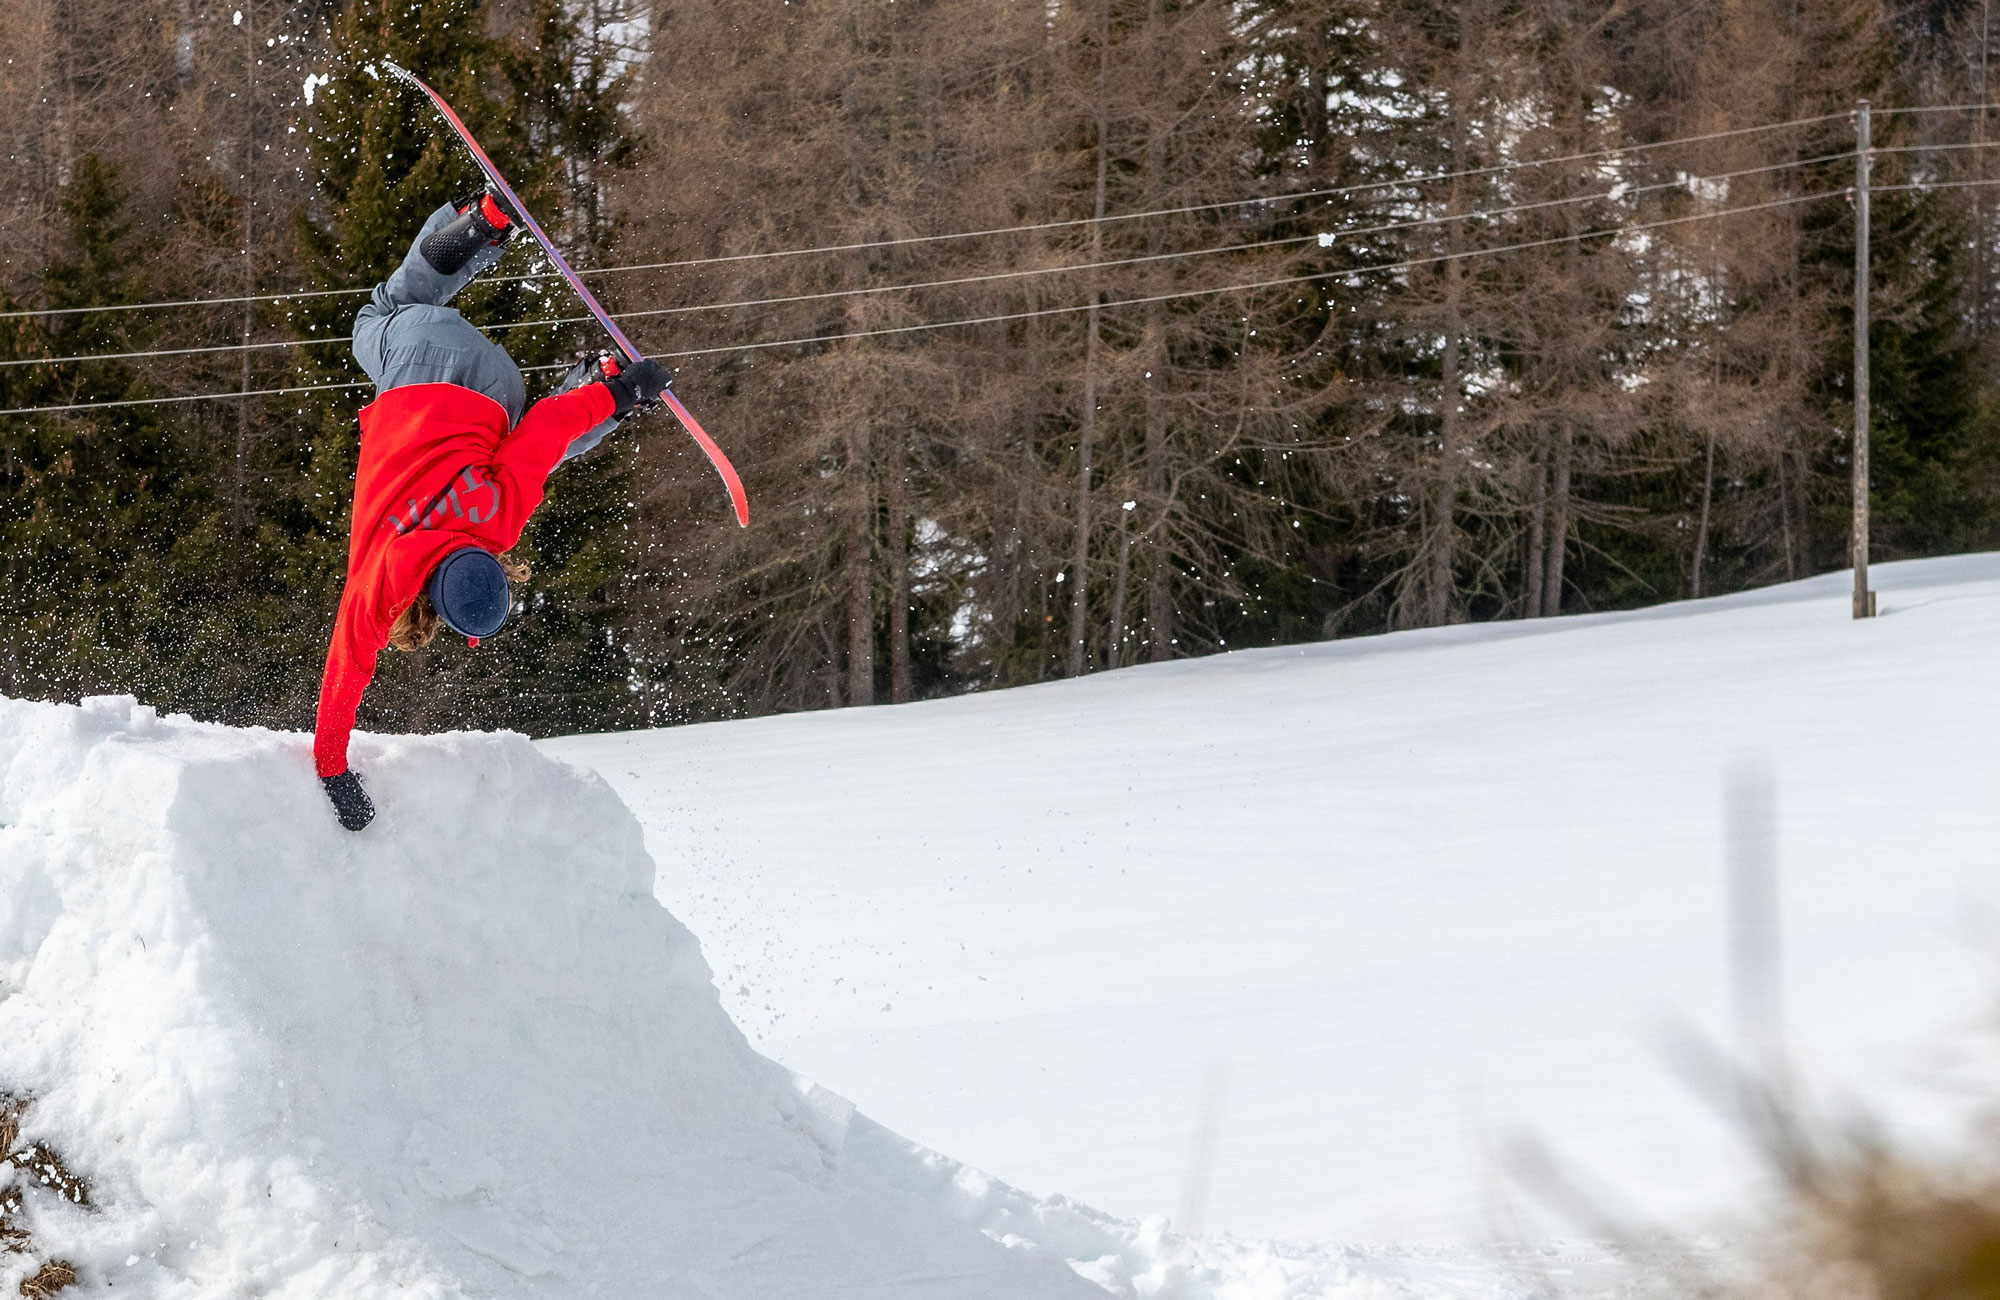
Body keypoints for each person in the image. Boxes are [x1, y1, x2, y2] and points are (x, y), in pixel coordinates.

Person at [314, 190, 668, 831]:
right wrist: (333, 770)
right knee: (379, 317)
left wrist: (620, 392)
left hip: (494, 385)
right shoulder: (383, 572)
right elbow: (347, 668)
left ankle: (602, 377)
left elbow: (550, 426)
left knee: (536, 450)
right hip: (419, 363)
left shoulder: (497, 521)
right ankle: (482, 227)